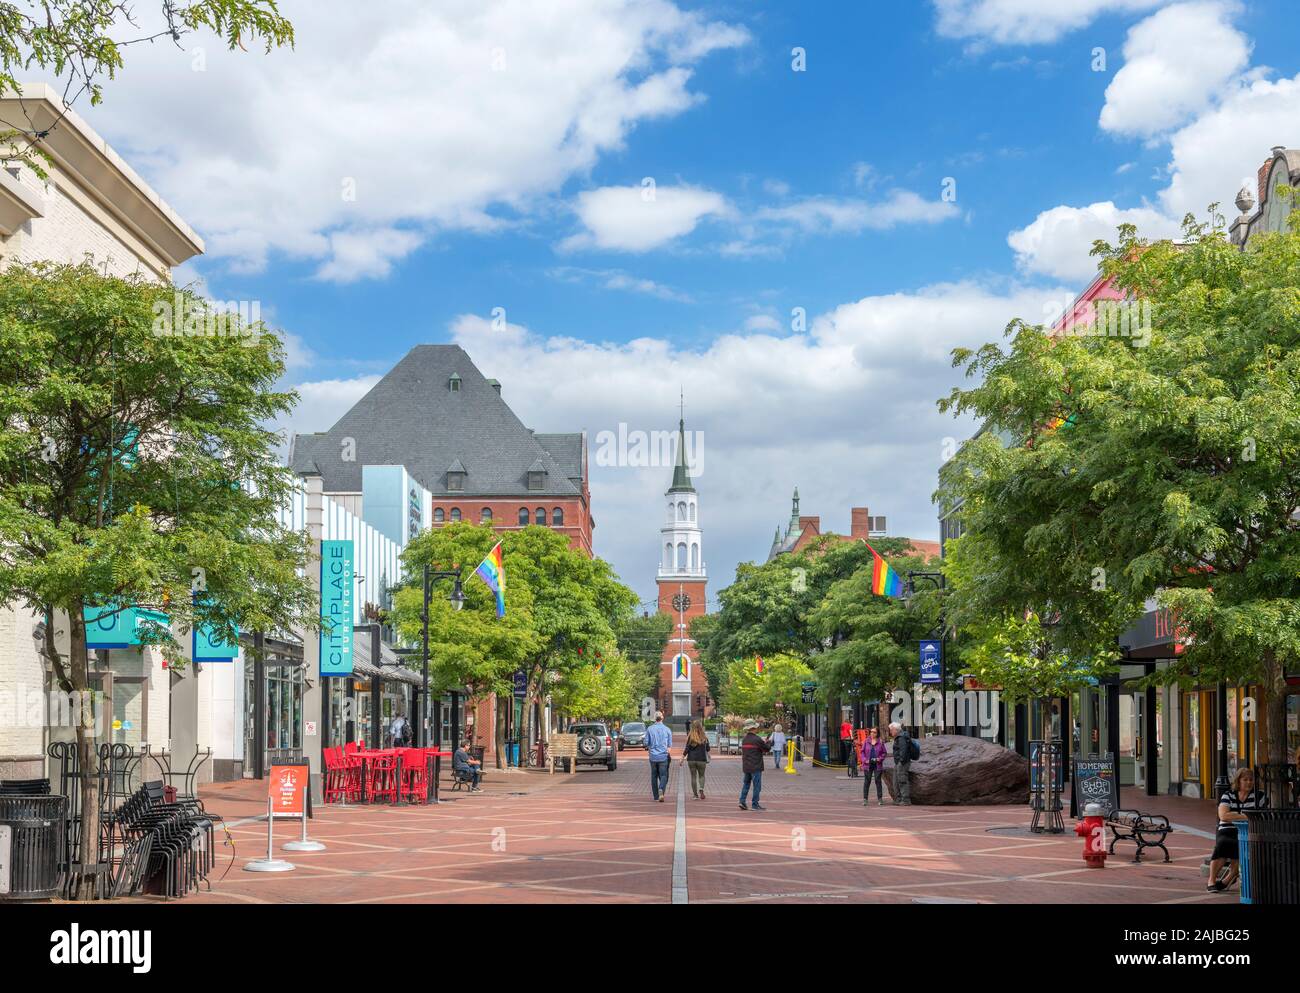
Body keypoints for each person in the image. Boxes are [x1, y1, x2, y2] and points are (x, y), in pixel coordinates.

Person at [1208, 767, 1268, 892]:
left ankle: (1227, 879)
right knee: (1222, 844)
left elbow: (1261, 816)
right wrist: (1248, 816)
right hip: (1227, 829)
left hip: (1249, 830)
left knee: (1245, 846)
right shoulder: (1228, 794)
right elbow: (1223, 816)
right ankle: (1211, 880)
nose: (1249, 782)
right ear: (1238, 781)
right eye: (1245, 779)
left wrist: (1235, 815)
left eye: (1251, 780)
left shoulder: (1260, 796)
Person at [739, 720, 771, 810]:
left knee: (746, 784)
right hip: (756, 766)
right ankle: (755, 804)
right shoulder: (757, 739)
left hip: (746, 766)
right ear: (753, 728)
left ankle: (742, 801)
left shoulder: (744, 739)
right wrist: (768, 742)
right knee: (757, 786)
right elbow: (766, 749)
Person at [646, 711, 673, 802]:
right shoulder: (667, 729)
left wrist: (650, 748)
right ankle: (661, 788)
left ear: (654, 718)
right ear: (662, 718)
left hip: (653, 756)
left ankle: (656, 796)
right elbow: (669, 745)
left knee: (654, 776)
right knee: (664, 775)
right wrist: (667, 752)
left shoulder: (649, 729)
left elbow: (646, 743)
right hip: (663, 756)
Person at [681, 719, 710, 799]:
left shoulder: (690, 736)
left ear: (692, 727)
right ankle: (701, 788)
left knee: (693, 777)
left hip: (691, 759)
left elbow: (687, 748)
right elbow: (708, 748)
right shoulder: (704, 736)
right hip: (702, 759)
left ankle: (695, 795)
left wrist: (682, 758)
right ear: (700, 727)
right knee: (701, 775)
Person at [860, 726, 888, 806]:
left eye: (874, 732)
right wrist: (865, 760)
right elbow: (862, 752)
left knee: (878, 781)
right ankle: (865, 799)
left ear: (877, 733)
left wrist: (880, 759)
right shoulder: (866, 741)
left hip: (877, 764)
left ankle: (880, 799)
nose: (872, 733)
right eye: (871, 732)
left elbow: (884, 753)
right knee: (867, 781)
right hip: (867, 764)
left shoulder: (880, 742)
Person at [889, 721, 913, 805]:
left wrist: (901, 762)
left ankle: (905, 800)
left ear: (896, 730)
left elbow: (904, 751)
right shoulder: (898, 737)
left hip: (902, 763)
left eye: (891, 730)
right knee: (895, 781)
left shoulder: (901, 738)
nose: (890, 732)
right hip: (898, 762)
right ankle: (898, 799)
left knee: (902, 781)